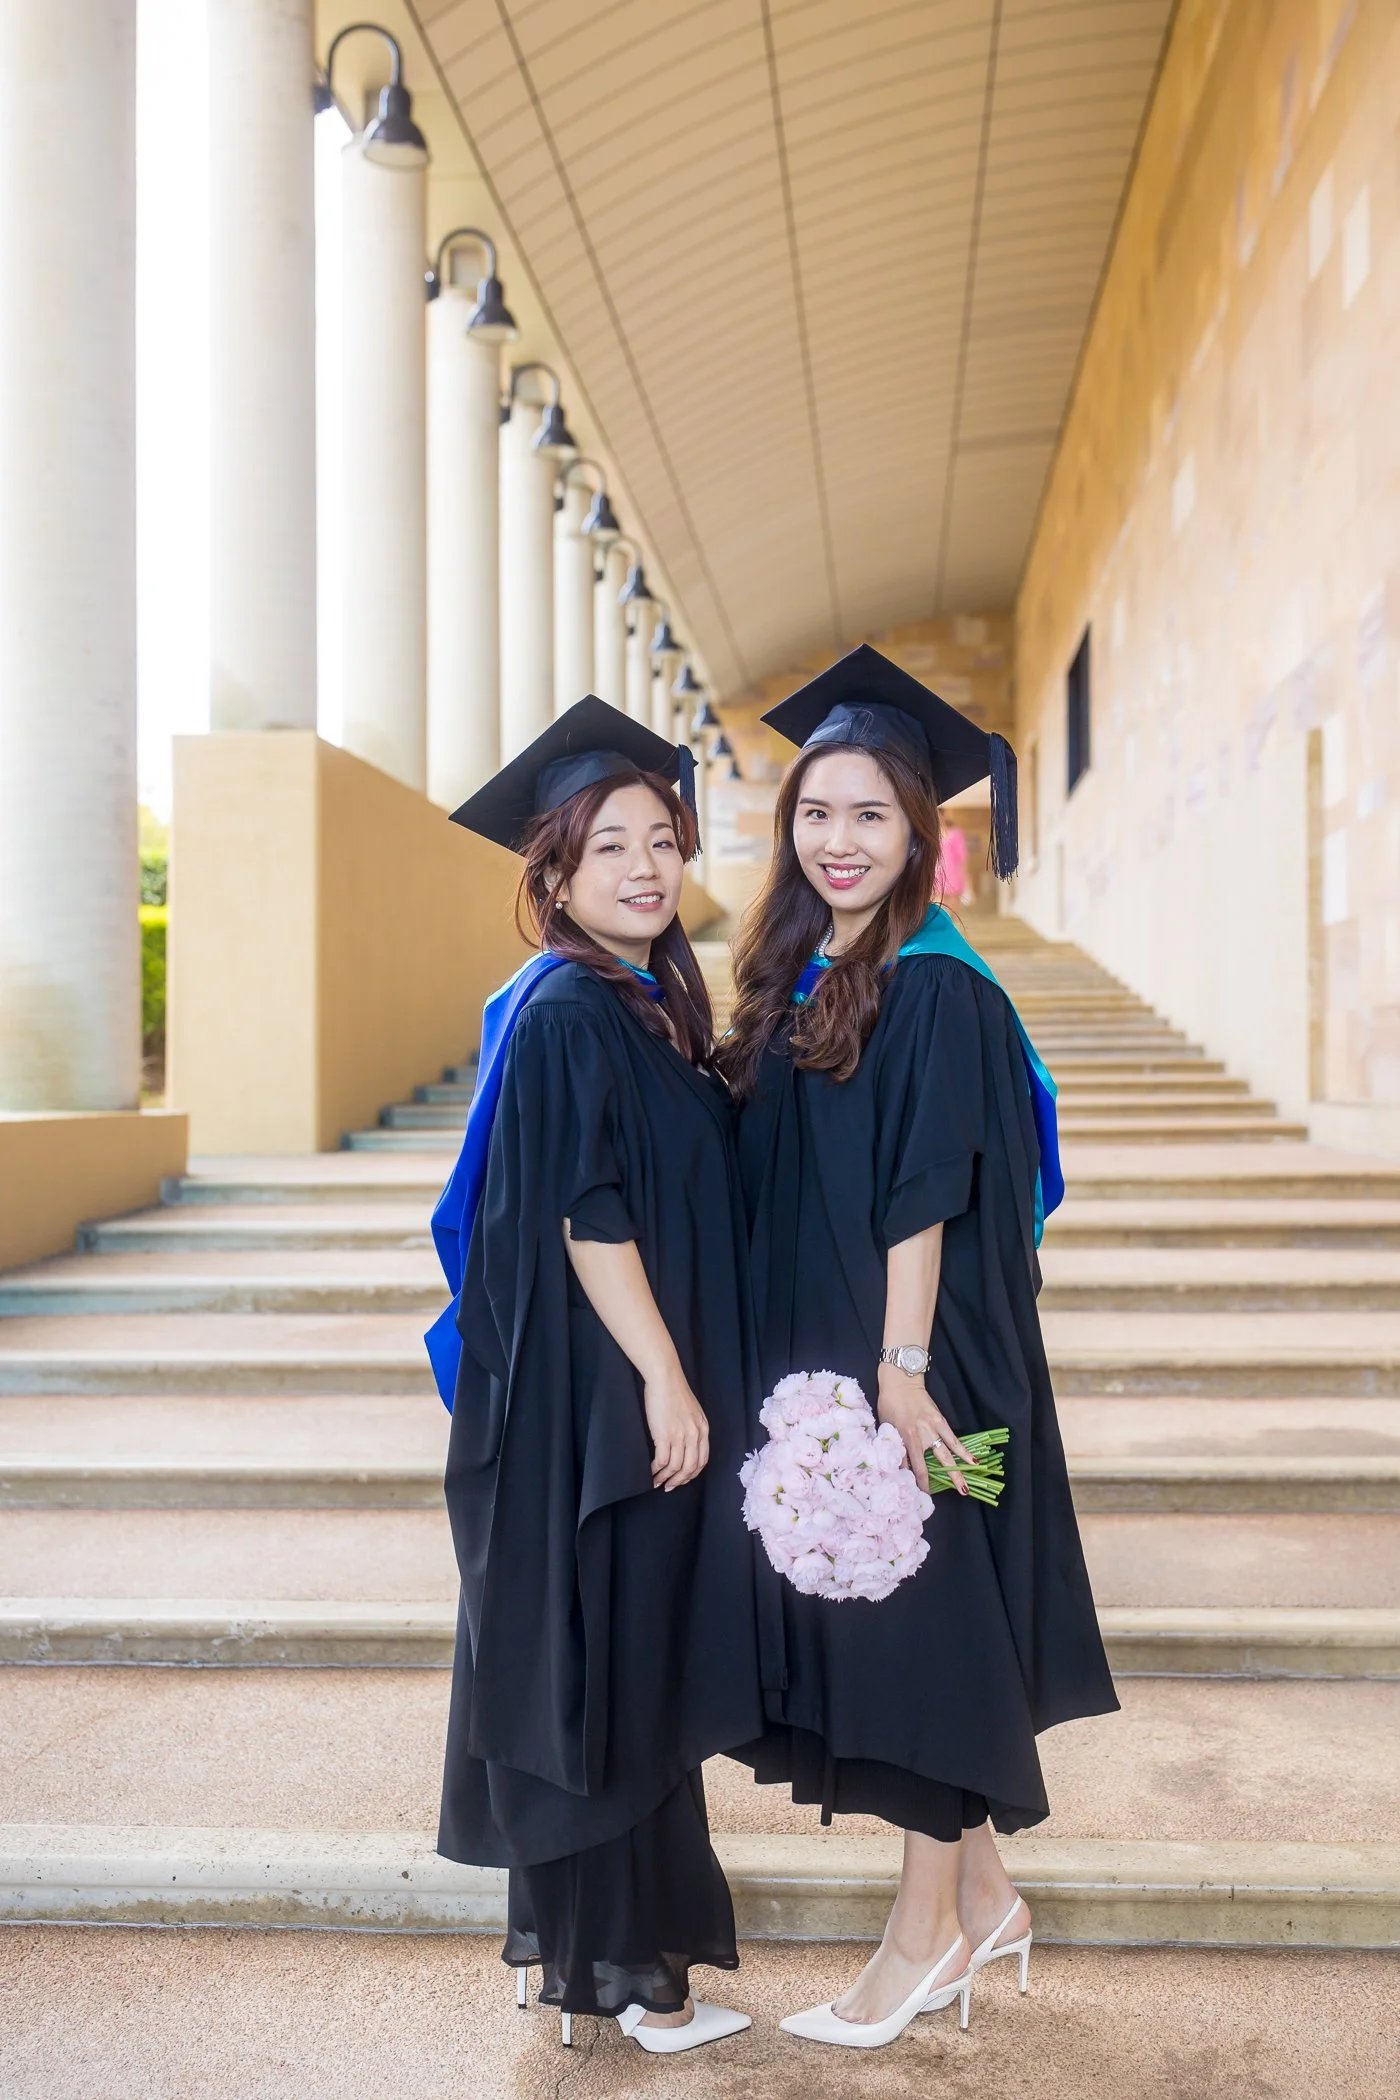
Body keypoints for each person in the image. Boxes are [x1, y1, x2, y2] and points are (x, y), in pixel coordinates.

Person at [718, 645, 1118, 2050]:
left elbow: (928, 1190)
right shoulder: (801, 965)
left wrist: (899, 1372)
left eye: (870, 816)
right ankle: (992, 1900)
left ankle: (926, 1936)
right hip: (855, 1360)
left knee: (930, 1640)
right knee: (902, 1628)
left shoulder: (938, 987)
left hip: (929, 1369)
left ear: (922, 834)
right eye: (816, 813)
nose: (838, 841)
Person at [430, 697, 762, 2056]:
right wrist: (669, 1383)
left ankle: (598, 1968)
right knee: (611, 1662)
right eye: (608, 844)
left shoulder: (639, 1007)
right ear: (553, 877)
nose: (645, 865)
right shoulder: (572, 1011)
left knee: (623, 1662)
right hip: (606, 1405)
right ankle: (620, 1975)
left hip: (613, 1400)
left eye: (662, 840)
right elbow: (587, 1214)